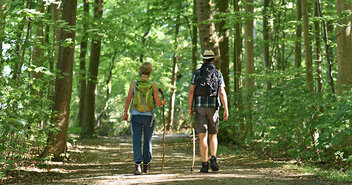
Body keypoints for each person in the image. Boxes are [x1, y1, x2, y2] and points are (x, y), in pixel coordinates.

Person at [188, 50, 229, 173]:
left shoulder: (197, 73)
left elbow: (191, 92)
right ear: (213, 60)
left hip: (200, 108)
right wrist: (226, 109)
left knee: (202, 136)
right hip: (214, 107)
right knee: (213, 134)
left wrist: (190, 108)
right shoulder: (218, 74)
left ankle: (204, 165)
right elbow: (222, 92)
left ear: (203, 60)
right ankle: (214, 160)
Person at [123, 62, 166, 175]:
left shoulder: (134, 83)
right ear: (150, 71)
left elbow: (128, 99)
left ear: (141, 70)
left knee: (136, 139)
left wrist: (125, 112)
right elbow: (157, 102)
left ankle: (138, 165)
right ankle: (146, 164)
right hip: (149, 117)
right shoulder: (153, 84)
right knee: (147, 139)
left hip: (136, 116)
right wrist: (162, 102)